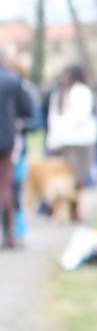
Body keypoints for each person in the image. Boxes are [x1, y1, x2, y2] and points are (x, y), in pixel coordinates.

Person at [45, 63, 97, 221]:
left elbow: (81, 116)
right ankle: (62, 209)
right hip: (64, 141)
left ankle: (73, 209)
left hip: (78, 141)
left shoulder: (81, 92)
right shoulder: (60, 93)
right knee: (65, 178)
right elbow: (53, 118)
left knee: (76, 178)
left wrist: (62, 126)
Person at [0, 51, 36, 249]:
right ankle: (9, 235)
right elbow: (28, 110)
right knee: (4, 187)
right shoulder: (12, 81)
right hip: (5, 142)